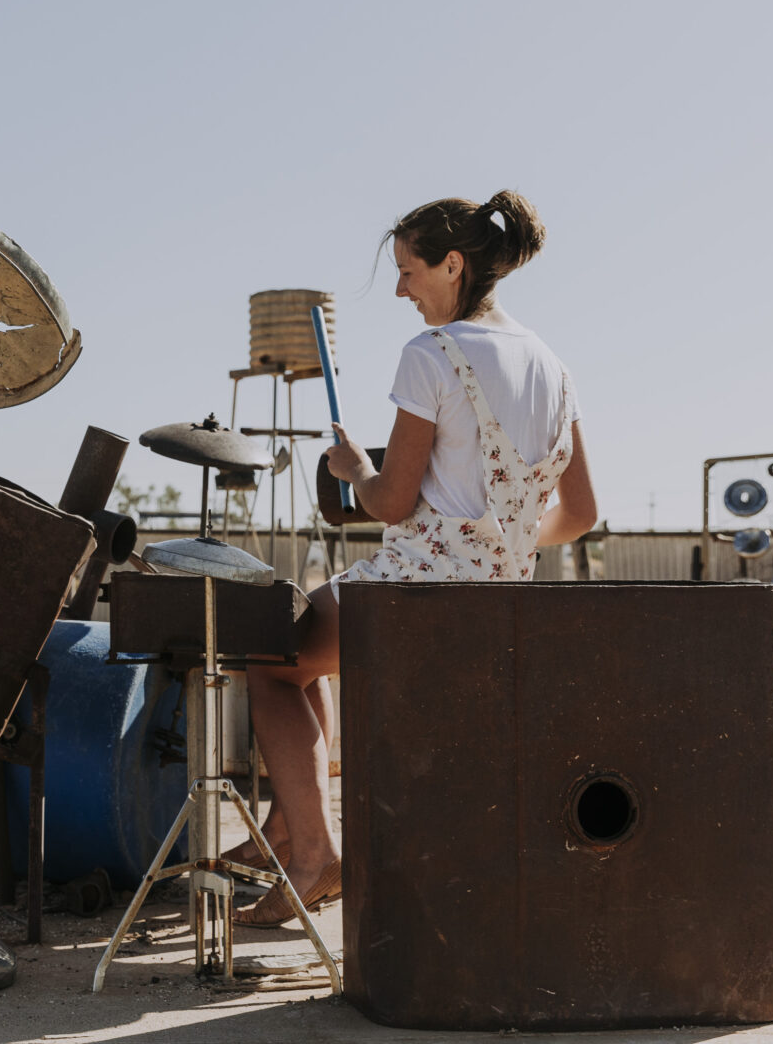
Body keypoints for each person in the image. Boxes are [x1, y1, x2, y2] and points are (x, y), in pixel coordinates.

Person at [234, 192, 597, 926]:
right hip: (501, 599)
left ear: (452, 265)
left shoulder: (431, 354)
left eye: (407, 271)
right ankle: (290, 827)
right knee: (310, 662)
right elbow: (582, 513)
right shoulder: (554, 367)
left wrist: (351, 468)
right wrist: (506, 542)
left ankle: (312, 856)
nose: (401, 289)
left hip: (415, 590)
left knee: (268, 663)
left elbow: (392, 504)